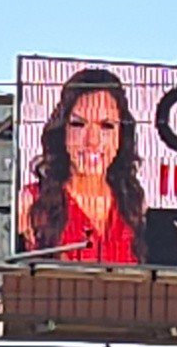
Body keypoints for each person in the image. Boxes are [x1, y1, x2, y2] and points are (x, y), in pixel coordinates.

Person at [21, 69, 143, 266]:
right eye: (79, 125)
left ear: (122, 134)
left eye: (106, 126)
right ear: (63, 130)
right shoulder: (33, 201)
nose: (92, 141)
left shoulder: (133, 206)